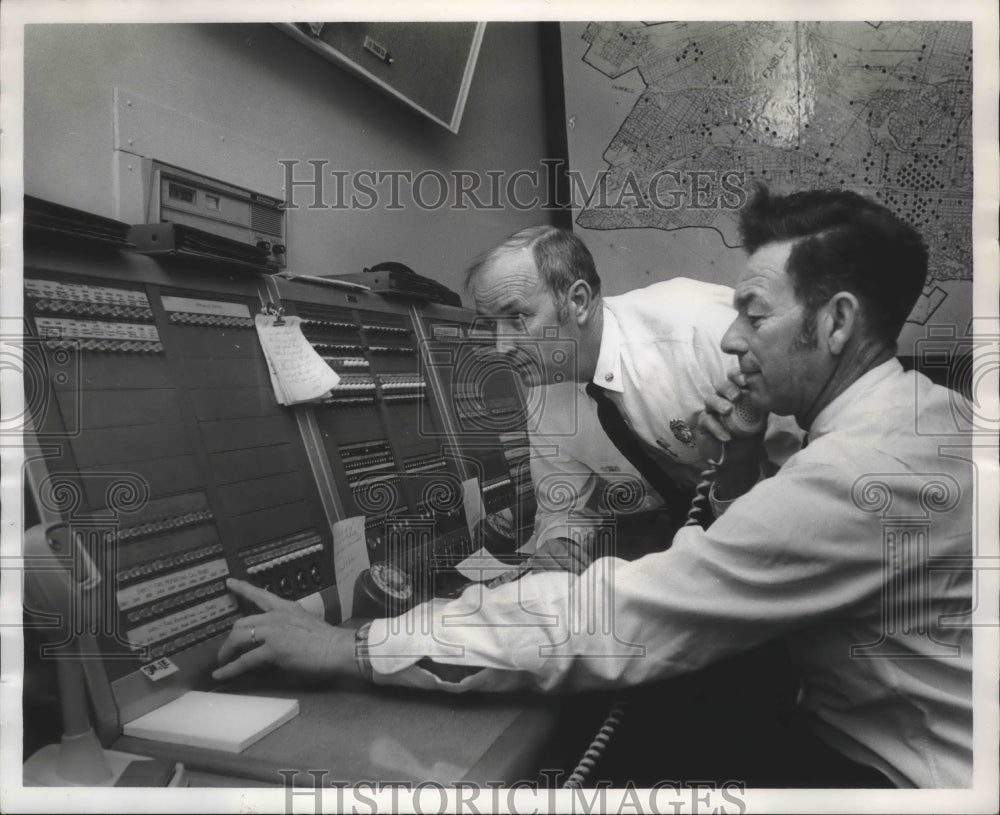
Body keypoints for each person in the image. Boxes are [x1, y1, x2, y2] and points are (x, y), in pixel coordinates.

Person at [214, 186, 973, 788]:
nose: (735, 335)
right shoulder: (910, 420)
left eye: (753, 313)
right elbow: (580, 526)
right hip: (838, 688)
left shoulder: (821, 442)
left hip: (900, 765)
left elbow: (655, 602)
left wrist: (357, 647)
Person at [463, 226, 799, 572]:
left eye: (516, 319)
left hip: (773, 528)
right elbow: (562, 505)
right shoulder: (543, 391)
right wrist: (559, 541)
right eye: (491, 326)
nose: (500, 347)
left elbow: (797, 467)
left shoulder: (700, 332)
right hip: (675, 534)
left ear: (577, 301)